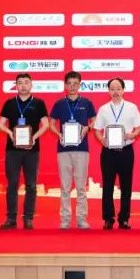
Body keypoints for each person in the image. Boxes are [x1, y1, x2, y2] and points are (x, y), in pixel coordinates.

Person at [0, 73, 49, 230]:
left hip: (32, 150)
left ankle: (28, 217)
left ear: (31, 85)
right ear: (16, 85)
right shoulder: (9, 103)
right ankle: (11, 218)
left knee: (31, 185)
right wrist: (9, 133)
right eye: (20, 83)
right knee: (12, 184)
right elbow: (1, 124)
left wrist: (34, 138)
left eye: (26, 82)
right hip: (12, 150)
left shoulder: (39, 103)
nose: (23, 85)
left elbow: (45, 124)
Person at [49, 71, 97, 229]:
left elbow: (94, 120)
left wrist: (87, 127)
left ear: (80, 85)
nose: (72, 86)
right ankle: (65, 219)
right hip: (63, 149)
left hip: (82, 149)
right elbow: (51, 123)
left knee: (81, 187)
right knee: (65, 187)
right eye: (69, 83)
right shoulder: (59, 104)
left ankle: (82, 219)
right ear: (65, 85)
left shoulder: (87, 102)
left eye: (75, 83)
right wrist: (58, 134)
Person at [93, 77, 140, 230]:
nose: (115, 92)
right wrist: (101, 139)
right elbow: (97, 130)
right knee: (107, 186)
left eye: (118, 89)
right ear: (108, 91)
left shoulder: (132, 107)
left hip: (126, 151)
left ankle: (124, 219)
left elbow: (139, 127)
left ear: (123, 90)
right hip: (108, 152)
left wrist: (133, 135)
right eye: (112, 89)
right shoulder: (103, 109)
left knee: (126, 186)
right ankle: (108, 218)